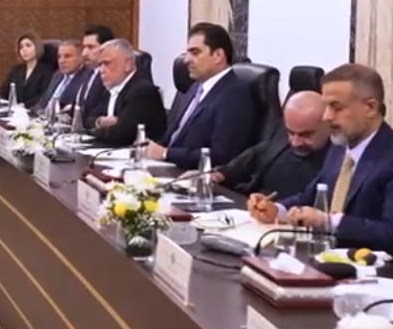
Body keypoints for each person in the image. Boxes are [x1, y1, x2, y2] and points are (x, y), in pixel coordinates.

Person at [248, 63, 393, 257]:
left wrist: (328, 222)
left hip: (388, 269)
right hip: (334, 258)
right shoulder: (339, 147)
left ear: (370, 108)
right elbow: (309, 197)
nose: (326, 116)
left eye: (336, 107)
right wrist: (277, 210)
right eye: (326, 106)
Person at [149, 23, 258, 168]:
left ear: (218, 55)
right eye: (188, 53)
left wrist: (166, 153)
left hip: (196, 174)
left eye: (195, 53)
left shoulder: (235, 94)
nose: (186, 60)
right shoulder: (196, 87)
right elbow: (174, 137)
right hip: (167, 167)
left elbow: (221, 155)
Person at [214, 91, 331, 198]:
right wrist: (224, 173)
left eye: (305, 135)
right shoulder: (286, 127)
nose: (295, 142)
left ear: (329, 125)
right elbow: (258, 153)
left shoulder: (335, 160)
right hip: (250, 199)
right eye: (290, 132)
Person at [86, 39, 166, 146]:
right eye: (100, 64)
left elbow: (121, 135)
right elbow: (88, 120)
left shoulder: (143, 92)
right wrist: (100, 122)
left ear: (128, 64)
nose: (102, 70)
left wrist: (95, 130)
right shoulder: (111, 89)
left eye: (107, 63)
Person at [0, 33, 53, 107]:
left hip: (33, 110)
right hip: (13, 109)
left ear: (37, 47)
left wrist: (25, 105)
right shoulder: (16, 70)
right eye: (21, 47)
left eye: (28, 45)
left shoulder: (46, 70)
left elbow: (44, 95)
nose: (24, 49)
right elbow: (3, 91)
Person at [35, 40, 85, 119]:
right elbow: (43, 101)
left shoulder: (85, 79)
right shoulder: (57, 75)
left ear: (81, 58)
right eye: (59, 57)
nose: (61, 61)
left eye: (67, 56)